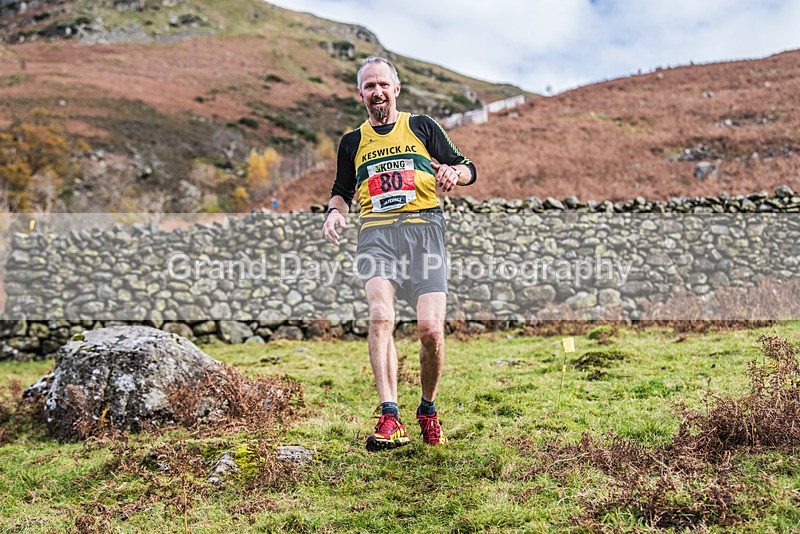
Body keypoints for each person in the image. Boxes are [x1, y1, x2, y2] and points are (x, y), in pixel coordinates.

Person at [322, 57, 477, 451]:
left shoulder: (422, 126)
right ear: (360, 94)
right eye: (369, 86)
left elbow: (468, 166)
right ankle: (390, 415)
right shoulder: (352, 142)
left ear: (396, 88)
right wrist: (334, 214)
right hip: (376, 234)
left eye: (383, 85)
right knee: (380, 316)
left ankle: (426, 409)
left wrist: (452, 173)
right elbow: (342, 191)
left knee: (431, 330)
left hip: (425, 231)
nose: (377, 92)